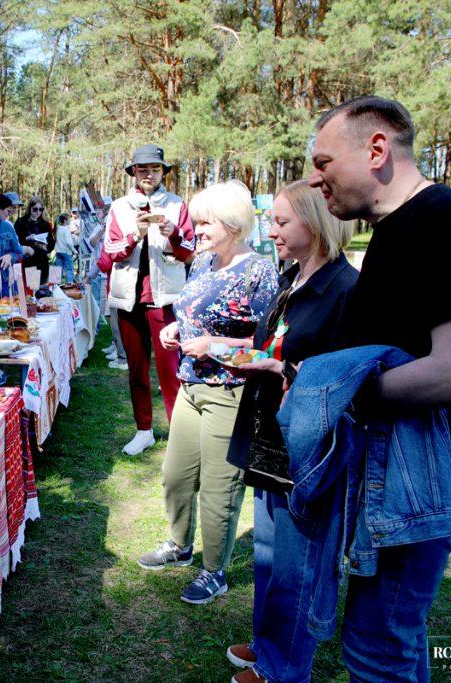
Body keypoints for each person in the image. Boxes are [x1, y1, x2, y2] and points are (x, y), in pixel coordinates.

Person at [297, 95, 451, 682]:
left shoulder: (446, 220)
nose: (316, 180)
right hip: (402, 470)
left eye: (323, 162)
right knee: (392, 635)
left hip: (433, 475)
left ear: (376, 149)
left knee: (377, 645)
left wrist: (344, 395)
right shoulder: (395, 231)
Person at [220, 179, 357, 683]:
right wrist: (252, 360)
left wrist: (282, 371)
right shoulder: (291, 276)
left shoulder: (345, 290)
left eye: (281, 222)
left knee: (298, 565)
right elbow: (276, 346)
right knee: (269, 554)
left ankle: (284, 669)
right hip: (269, 436)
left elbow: (348, 381)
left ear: (316, 222)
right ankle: (266, 644)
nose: (271, 231)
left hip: (306, 446)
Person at [137, 180, 277, 606]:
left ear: (233, 224)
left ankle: (214, 570)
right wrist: (180, 328)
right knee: (176, 475)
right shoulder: (202, 262)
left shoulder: (259, 271)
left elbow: (268, 343)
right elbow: (191, 310)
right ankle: (179, 546)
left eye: (204, 222)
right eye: (196, 222)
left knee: (220, 488)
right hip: (191, 386)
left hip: (230, 392)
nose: (196, 230)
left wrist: (215, 345)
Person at [105, 144, 196, 455]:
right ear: (133, 172)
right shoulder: (119, 207)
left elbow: (189, 253)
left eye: (154, 169)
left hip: (165, 298)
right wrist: (135, 235)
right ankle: (143, 430)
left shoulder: (177, 205)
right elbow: (109, 254)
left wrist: (172, 234)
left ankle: (179, 432)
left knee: (171, 368)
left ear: (162, 173)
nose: (148, 174)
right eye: (142, 169)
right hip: (129, 298)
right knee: (136, 368)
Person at [14, 196, 53, 284]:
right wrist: (27, 238)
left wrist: (46, 247)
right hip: (28, 260)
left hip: (42, 260)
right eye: (35, 209)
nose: (38, 212)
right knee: (31, 288)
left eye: (40, 209)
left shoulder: (45, 224)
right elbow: (15, 242)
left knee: (41, 287)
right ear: (30, 208)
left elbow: (51, 242)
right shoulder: (21, 222)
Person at [53, 212, 77, 284]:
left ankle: (56, 284)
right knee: (69, 269)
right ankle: (70, 284)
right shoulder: (66, 229)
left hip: (58, 252)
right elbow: (69, 242)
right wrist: (74, 250)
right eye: (69, 219)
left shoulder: (57, 229)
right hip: (66, 252)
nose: (70, 221)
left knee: (58, 268)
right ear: (65, 221)